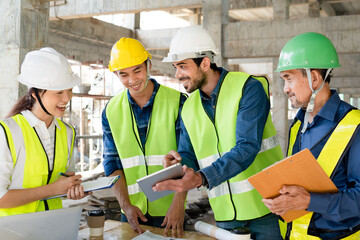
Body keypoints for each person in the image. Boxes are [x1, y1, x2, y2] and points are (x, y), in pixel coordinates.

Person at [153, 26, 284, 239]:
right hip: (225, 215)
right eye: (176, 67)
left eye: (183, 66)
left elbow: (247, 147)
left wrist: (201, 178)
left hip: (267, 208)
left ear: (205, 63)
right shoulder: (188, 107)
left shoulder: (248, 89)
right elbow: (189, 153)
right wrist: (180, 164)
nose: (177, 75)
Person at [262, 32, 360, 239]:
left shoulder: (355, 125)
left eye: (288, 79)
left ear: (313, 78)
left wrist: (309, 201)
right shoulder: (297, 125)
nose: (285, 89)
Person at [102, 37, 187, 237]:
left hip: (170, 210)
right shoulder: (111, 110)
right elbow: (111, 163)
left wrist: (179, 205)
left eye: (137, 71)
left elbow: (186, 158)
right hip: (132, 211)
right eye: (123, 74)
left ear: (149, 65)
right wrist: (126, 206)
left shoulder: (177, 102)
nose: (132, 80)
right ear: (116, 74)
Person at [0, 47, 87, 217]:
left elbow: (62, 185)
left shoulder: (66, 132)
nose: (67, 98)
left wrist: (72, 188)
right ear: (35, 94)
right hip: (14, 231)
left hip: (51, 227)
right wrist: (52, 189)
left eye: (69, 90)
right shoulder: (7, 132)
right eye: (59, 92)